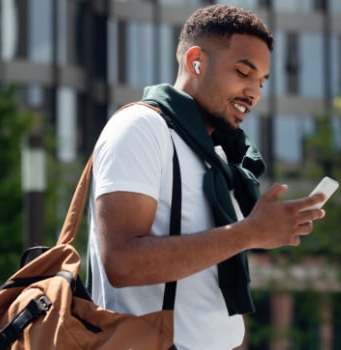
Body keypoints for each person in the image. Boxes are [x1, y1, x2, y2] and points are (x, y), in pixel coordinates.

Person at [87, 4, 327, 349]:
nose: (254, 93)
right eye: (243, 73)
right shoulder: (142, 127)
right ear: (196, 61)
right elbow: (122, 262)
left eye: (261, 81)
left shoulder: (213, 154)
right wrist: (248, 234)